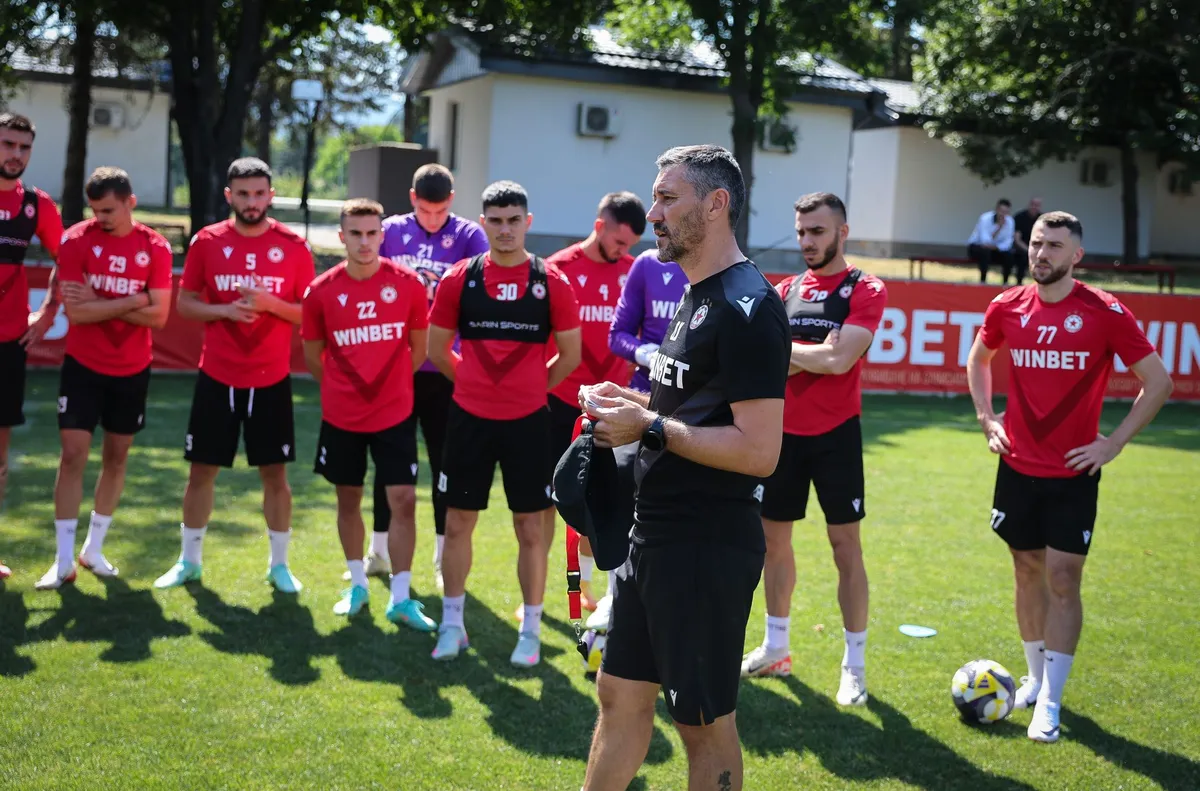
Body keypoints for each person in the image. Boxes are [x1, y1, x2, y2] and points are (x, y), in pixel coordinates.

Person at [579, 145, 790, 791]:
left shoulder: (750, 306)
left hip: (705, 546)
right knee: (618, 695)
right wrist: (630, 403)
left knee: (703, 724)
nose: (654, 213)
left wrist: (647, 426)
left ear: (716, 203)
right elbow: (689, 409)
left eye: (668, 198)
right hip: (652, 535)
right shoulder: (696, 293)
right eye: (656, 197)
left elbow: (760, 451)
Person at [966, 211, 1172, 743]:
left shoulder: (1104, 312)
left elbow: (1158, 382)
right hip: (1016, 467)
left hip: (1074, 471)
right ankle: (1035, 680)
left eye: (1054, 246)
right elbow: (979, 358)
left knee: (1062, 578)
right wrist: (987, 418)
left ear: (1076, 256)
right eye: (1037, 243)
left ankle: (1051, 702)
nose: (1042, 254)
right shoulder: (1007, 305)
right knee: (1025, 569)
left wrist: (1113, 442)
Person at [740, 192, 887, 708]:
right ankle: (776, 648)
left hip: (837, 436)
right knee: (771, 542)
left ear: (842, 233)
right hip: (781, 436)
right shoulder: (785, 291)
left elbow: (840, 362)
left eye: (817, 232)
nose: (807, 241)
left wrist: (799, 355)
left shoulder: (864, 287)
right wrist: (815, 354)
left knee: (846, 548)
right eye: (801, 231)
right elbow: (769, 362)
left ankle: (854, 666)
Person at [426, 180, 581, 667]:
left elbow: (570, 355)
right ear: (483, 223)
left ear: (527, 222)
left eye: (514, 220)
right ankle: (453, 624)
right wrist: (475, 386)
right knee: (457, 523)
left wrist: (530, 389)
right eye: (495, 221)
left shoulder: (551, 281)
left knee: (530, 527)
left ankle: (530, 630)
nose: (505, 229)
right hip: (468, 420)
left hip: (528, 423)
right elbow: (436, 350)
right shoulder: (460, 278)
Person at [153, 158, 315, 593]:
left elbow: (309, 314)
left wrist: (268, 304)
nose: (251, 202)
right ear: (229, 196)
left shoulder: (294, 246)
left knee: (275, 476)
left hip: (271, 379)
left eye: (259, 193)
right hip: (217, 375)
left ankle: (280, 566)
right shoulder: (208, 242)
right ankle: (189, 561)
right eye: (243, 194)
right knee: (201, 472)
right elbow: (185, 304)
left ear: (271, 195)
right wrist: (225, 309)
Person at [35, 167, 173, 590]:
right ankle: (63, 561)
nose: (101, 218)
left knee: (116, 457)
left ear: (131, 202)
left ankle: (93, 550)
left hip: (132, 369)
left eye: (109, 210)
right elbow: (78, 313)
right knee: (72, 455)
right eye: (95, 210)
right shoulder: (76, 240)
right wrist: (135, 299)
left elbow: (159, 317)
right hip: (83, 367)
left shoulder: (156, 246)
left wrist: (104, 300)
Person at [301, 198, 435, 626]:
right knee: (349, 498)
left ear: (382, 235)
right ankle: (357, 583)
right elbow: (313, 358)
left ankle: (401, 596)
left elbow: (418, 351)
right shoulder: (320, 291)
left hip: (394, 414)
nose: (364, 241)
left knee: (404, 501)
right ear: (342, 236)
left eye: (371, 233)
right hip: (342, 416)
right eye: (355, 233)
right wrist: (345, 390)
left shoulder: (409, 284)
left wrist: (387, 388)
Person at [373, 164, 488, 589]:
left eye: (441, 211)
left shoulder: (469, 236)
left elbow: (480, 296)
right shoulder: (389, 231)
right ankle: (378, 550)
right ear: (412, 199)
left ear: (452, 201)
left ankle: (442, 558)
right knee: (389, 465)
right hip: (398, 367)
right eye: (425, 210)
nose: (433, 219)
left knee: (445, 464)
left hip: (444, 368)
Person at [543, 191, 645, 617]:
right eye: (619, 242)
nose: (624, 251)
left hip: (614, 408)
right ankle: (558, 590)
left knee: (609, 502)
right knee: (555, 499)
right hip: (561, 402)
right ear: (600, 226)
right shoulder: (557, 269)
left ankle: (599, 590)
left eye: (631, 245)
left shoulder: (634, 272)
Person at [0, 112, 64, 581]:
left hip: (7, 343)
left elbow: (69, 258)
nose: (15, 154)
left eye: (24, 147)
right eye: (8, 144)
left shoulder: (37, 205)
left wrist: (47, 312)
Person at [609, 248, 686, 394]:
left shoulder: (722, 268)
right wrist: (648, 356)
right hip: (647, 388)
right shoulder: (649, 263)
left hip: (698, 394)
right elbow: (617, 335)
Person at [967, 198, 1016, 284]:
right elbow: (985, 241)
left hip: (996, 249)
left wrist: (997, 247)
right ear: (996, 209)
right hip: (977, 247)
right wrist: (999, 228)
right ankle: (983, 281)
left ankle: (1005, 283)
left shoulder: (1010, 221)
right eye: (1001, 211)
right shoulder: (985, 218)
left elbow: (1008, 242)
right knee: (985, 252)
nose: (1003, 215)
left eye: (1006, 212)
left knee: (1009, 255)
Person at [1011, 197, 1043, 283]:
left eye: (1037, 205)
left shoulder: (1042, 220)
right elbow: (1017, 239)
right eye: (1033, 204)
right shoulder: (1019, 217)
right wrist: (1029, 250)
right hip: (1021, 247)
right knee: (1023, 257)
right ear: (1029, 205)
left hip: (1037, 248)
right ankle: (1019, 282)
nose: (1034, 207)